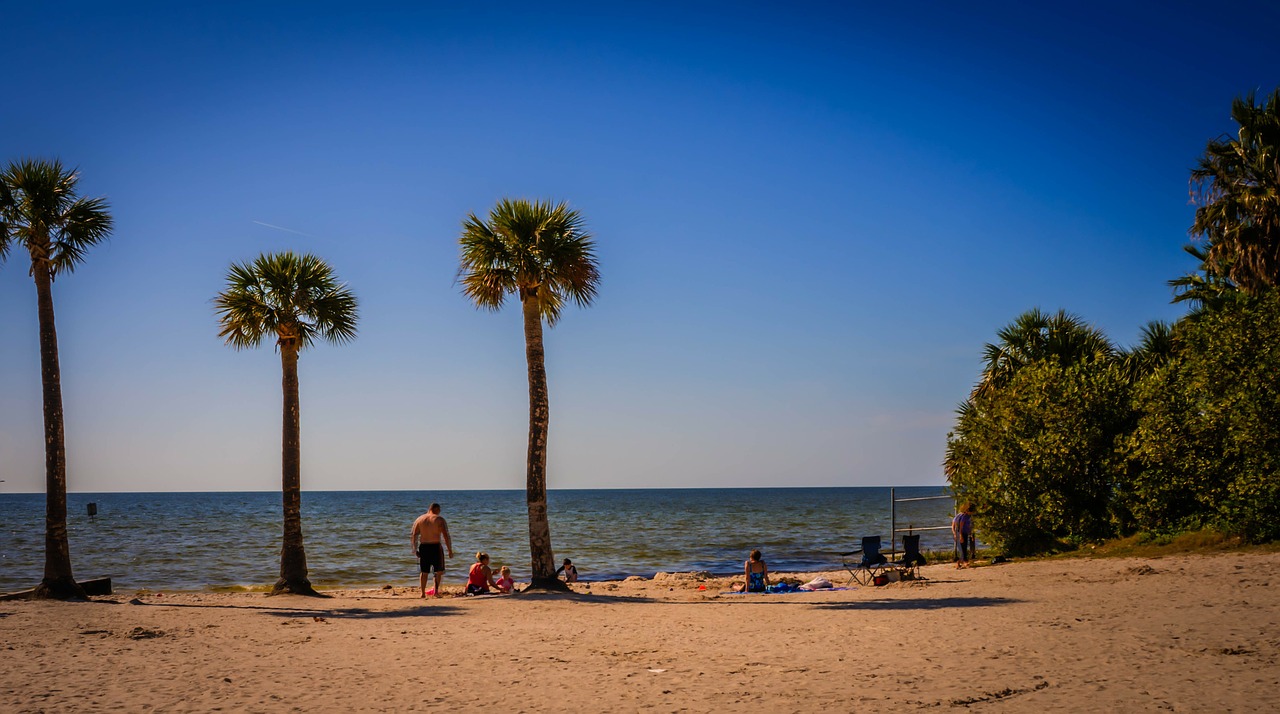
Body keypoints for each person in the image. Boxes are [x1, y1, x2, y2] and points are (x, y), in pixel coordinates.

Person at [411, 503, 453, 598]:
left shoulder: (419, 519)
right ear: (436, 509)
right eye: (439, 509)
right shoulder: (439, 519)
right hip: (435, 547)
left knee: (424, 571)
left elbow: (414, 535)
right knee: (439, 571)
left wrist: (414, 549)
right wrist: (449, 550)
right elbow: (446, 535)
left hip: (424, 547)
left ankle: (422, 593)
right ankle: (436, 592)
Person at [952, 502, 977, 569]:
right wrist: (960, 535)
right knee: (962, 549)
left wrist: (970, 534)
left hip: (962, 533)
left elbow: (968, 526)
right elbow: (960, 526)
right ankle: (964, 562)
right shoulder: (964, 516)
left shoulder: (962, 516)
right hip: (961, 533)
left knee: (963, 549)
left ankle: (960, 562)